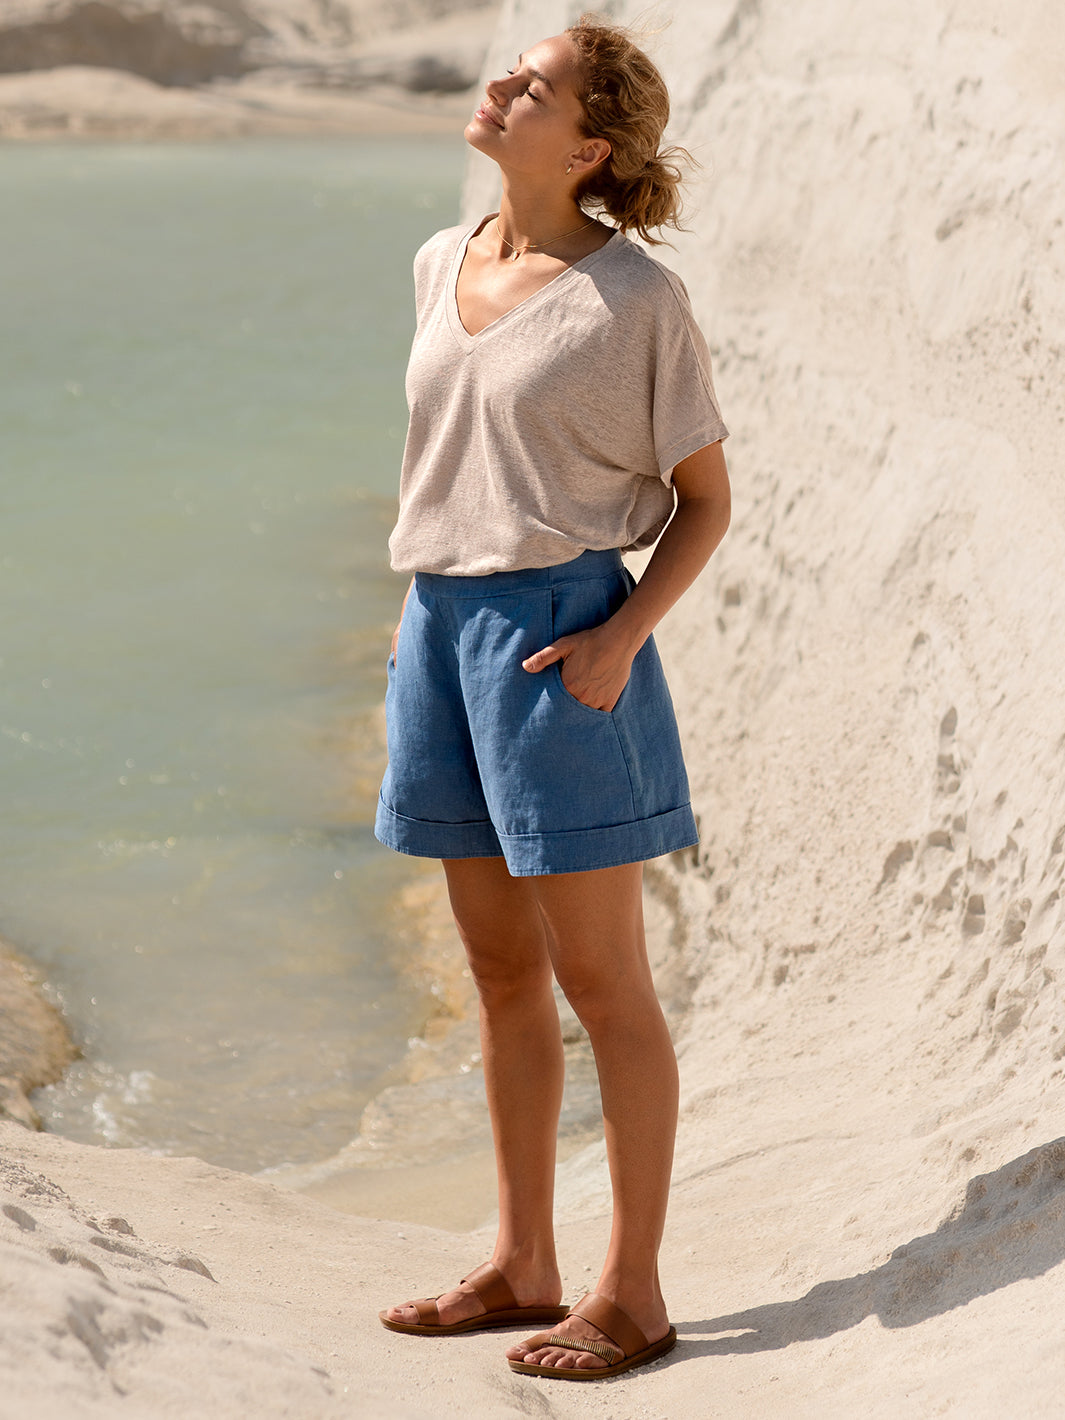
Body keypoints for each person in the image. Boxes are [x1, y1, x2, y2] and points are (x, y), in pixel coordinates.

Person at [375, 13, 731, 1381]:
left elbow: (702, 505)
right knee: (497, 971)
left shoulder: (634, 303)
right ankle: (523, 1263)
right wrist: (417, 639)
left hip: (555, 644)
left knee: (603, 982)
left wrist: (621, 638)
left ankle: (630, 1292)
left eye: (533, 84)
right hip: (437, 633)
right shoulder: (438, 259)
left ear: (587, 145)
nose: (499, 86)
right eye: (506, 69)